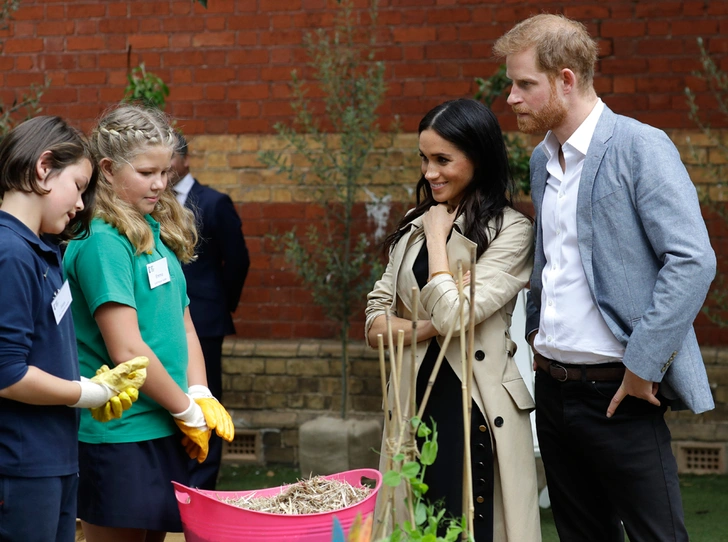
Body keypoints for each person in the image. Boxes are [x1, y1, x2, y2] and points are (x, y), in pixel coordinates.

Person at [494, 14, 716, 542]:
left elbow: (692, 261)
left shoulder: (641, 147)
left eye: (525, 83)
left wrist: (641, 368)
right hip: (551, 389)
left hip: (621, 392)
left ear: (565, 79)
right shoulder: (540, 161)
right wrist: (534, 334)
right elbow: (550, 261)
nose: (511, 97)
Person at [366, 99, 540, 541]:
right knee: (419, 522)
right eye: (424, 159)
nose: (430, 173)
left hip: (476, 403)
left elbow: (455, 312)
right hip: (414, 400)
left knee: (473, 527)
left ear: (478, 159)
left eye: (443, 160)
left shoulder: (511, 230)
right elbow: (374, 322)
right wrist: (427, 330)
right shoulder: (413, 225)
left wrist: (438, 242)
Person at [63, 104, 235, 542]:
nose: (160, 183)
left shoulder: (151, 232)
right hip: (119, 433)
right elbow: (127, 350)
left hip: (163, 423)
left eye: (166, 171)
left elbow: (186, 327)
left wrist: (198, 392)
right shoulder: (103, 240)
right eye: (146, 172)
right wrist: (186, 407)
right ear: (106, 168)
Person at [0, 116, 148, 542]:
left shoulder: (43, 249)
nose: (81, 204)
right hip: (20, 464)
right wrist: (88, 393)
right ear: (43, 168)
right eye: (79, 186)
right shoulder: (10, 252)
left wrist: (82, 384)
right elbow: (7, 373)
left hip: (54, 460)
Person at [170, 132, 249, 489]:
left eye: (168, 158)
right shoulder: (149, 205)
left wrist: (218, 306)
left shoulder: (215, 203)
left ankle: (201, 484)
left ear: (184, 159)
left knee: (207, 399)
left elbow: (238, 262)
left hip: (204, 321)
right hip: (161, 321)